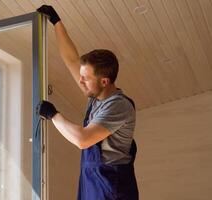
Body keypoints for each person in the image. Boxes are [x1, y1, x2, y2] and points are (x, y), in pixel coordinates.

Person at [36, 5, 139, 200]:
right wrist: (56, 22)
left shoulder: (119, 105)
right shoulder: (95, 94)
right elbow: (72, 60)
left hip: (111, 188)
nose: (80, 81)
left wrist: (53, 114)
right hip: (92, 182)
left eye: (86, 78)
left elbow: (83, 140)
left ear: (104, 81)